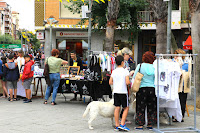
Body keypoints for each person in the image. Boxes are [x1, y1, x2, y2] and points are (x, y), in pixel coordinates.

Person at [133, 51, 156, 130]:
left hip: (142, 88)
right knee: (151, 107)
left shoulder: (140, 66)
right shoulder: (155, 67)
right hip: (152, 88)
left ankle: (140, 124)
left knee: (140, 107)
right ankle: (150, 124)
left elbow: (135, 77)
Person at [109, 55, 130, 132]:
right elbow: (127, 82)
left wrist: (116, 83)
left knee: (117, 107)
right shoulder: (125, 71)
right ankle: (123, 124)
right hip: (123, 91)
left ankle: (117, 124)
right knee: (126, 107)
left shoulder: (114, 71)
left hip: (116, 91)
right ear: (122, 62)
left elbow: (110, 82)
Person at [173, 48, 189, 122]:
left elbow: (183, 72)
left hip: (183, 85)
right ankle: (174, 115)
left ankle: (181, 116)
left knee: (182, 100)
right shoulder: (173, 61)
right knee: (175, 100)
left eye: (176, 56)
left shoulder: (185, 63)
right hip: (174, 84)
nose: (174, 57)